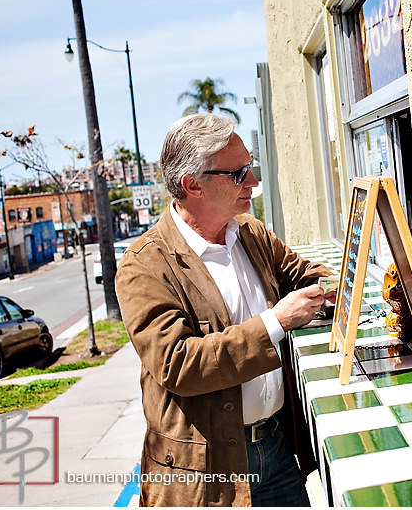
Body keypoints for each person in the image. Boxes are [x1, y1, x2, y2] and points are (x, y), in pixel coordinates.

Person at [115, 113, 335, 506]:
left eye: (251, 168)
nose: (253, 183)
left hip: (280, 450)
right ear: (192, 184)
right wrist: (277, 321)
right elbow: (178, 364)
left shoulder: (249, 233)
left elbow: (305, 274)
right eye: (239, 174)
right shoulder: (144, 265)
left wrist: (329, 290)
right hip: (205, 476)